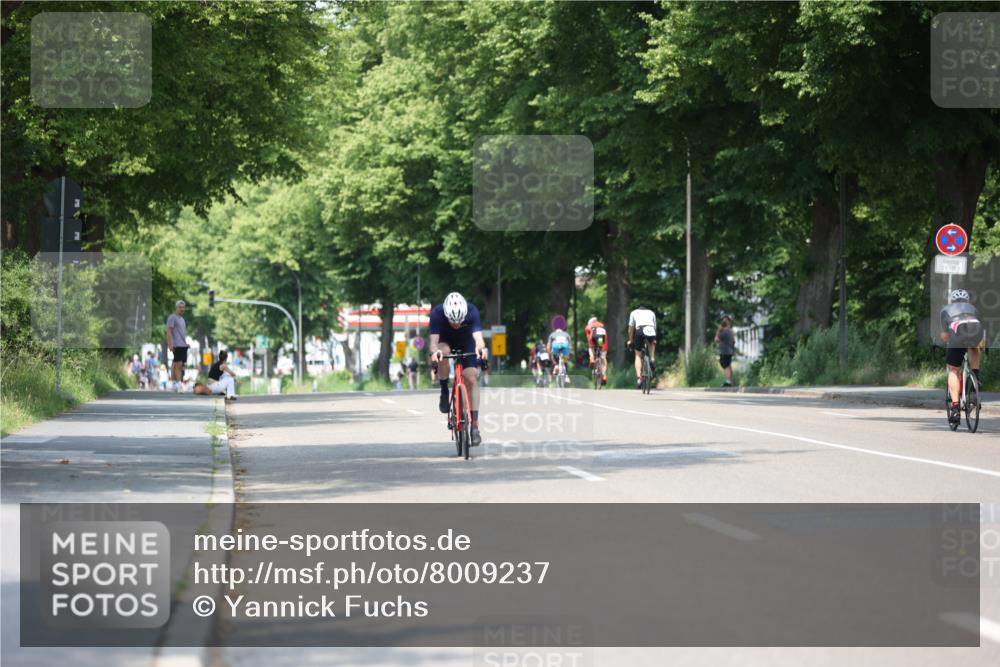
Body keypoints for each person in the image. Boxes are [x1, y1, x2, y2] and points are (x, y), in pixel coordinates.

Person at [428, 292, 488, 446]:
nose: (455, 325)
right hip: (445, 341)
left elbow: (478, 339)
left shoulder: (472, 311)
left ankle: (474, 426)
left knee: (471, 377)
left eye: (459, 321)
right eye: (452, 321)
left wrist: (482, 349)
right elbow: (434, 343)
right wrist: (435, 353)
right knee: (444, 353)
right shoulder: (437, 314)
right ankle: (444, 391)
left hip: (466, 340)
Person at [940, 288, 984, 426]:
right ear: (967, 301)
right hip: (977, 330)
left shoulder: (945, 310)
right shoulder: (973, 308)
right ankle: (975, 377)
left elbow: (945, 336)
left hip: (958, 334)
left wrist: (945, 342)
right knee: (974, 347)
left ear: (952, 300)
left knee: (953, 369)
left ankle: (954, 408)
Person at [627, 305, 657, 390]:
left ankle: (639, 379)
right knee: (652, 343)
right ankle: (652, 358)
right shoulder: (651, 312)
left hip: (640, 330)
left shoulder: (633, 312)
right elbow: (655, 327)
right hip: (651, 330)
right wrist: (654, 339)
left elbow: (630, 329)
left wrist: (630, 340)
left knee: (638, 355)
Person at [166, 300, 189, 391]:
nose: (182, 309)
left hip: (183, 345)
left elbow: (181, 333)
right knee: (178, 363)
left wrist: (185, 343)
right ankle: (178, 383)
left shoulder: (182, 319)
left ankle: (174, 382)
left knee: (178, 364)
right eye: (180, 307)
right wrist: (170, 344)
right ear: (176, 308)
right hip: (176, 345)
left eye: (183, 307)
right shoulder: (172, 317)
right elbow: (169, 332)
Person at [585, 316, 609, 386]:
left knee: (590, 347)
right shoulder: (602, 325)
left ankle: (592, 358)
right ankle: (604, 375)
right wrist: (604, 348)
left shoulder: (588, 326)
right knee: (603, 357)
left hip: (593, 337)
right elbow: (606, 337)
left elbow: (589, 339)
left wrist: (591, 346)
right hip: (602, 339)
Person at [715, 316, 736, 387]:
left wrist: (718, 330)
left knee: (726, 366)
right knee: (728, 366)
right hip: (729, 351)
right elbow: (734, 341)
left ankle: (728, 382)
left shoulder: (724, 332)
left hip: (724, 351)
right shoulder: (731, 331)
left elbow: (716, 339)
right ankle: (730, 381)